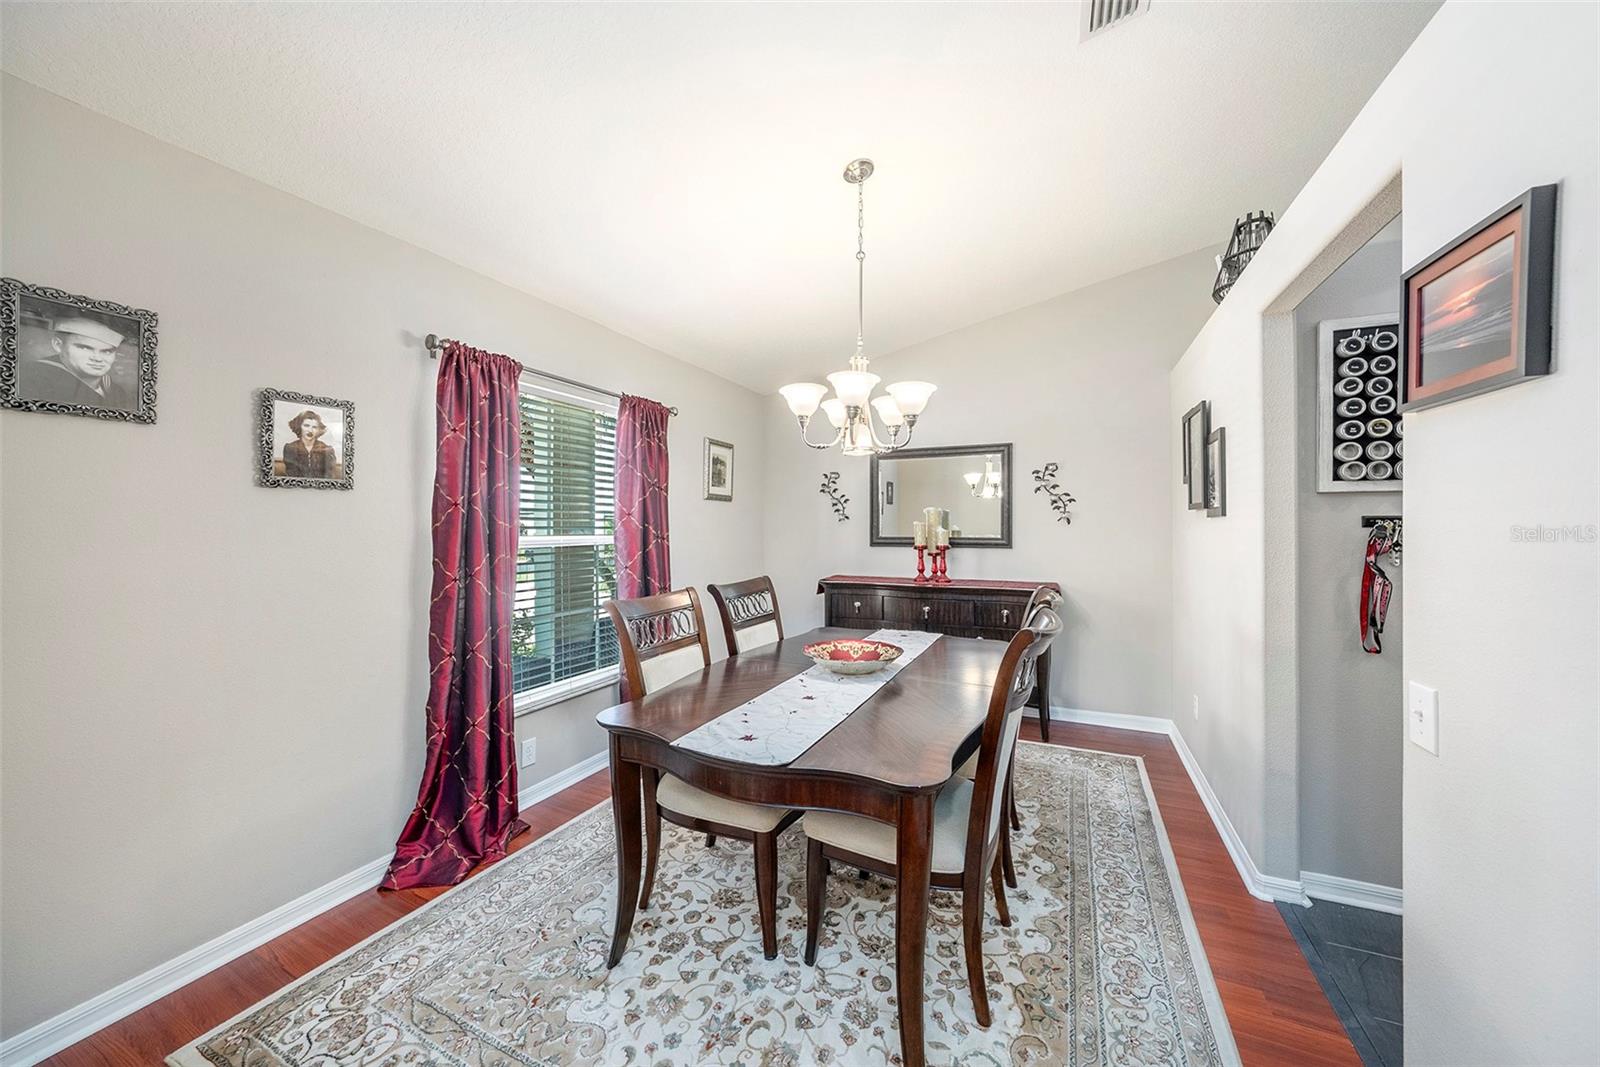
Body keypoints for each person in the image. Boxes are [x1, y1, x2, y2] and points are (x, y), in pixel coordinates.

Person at [17, 315, 136, 411]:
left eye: (107, 351)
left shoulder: (116, 391)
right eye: (85, 348)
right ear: (58, 345)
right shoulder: (32, 379)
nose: (97, 358)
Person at [283, 409, 339, 478]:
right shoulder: (290, 448)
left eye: (314, 427)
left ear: (318, 430)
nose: (310, 430)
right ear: (299, 426)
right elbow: (292, 475)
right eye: (306, 425)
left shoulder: (327, 450)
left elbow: (329, 477)